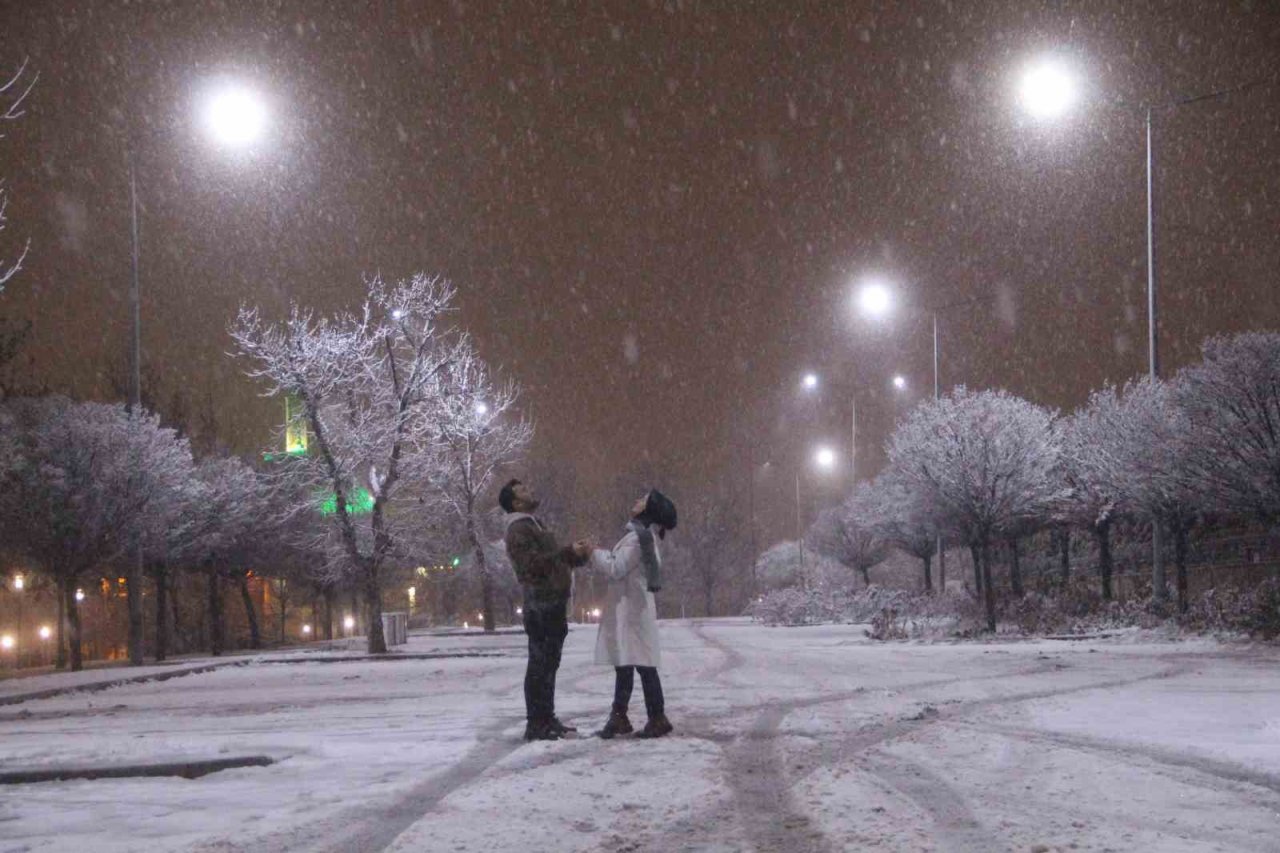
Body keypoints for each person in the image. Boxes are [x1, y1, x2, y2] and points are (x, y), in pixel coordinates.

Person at [500, 478, 593, 742]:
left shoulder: (533, 524)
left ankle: (547, 718)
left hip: (551, 603)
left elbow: (551, 562)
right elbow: (532, 566)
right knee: (540, 664)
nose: (531, 490)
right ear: (515, 502)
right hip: (540, 604)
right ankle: (536, 723)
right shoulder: (519, 529)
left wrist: (577, 555)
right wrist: (565, 553)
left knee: (549, 664)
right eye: (523, 490)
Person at [591, 488, 678, 739]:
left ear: (648, 511)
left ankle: (655, 717)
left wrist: (593, 553)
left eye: (642, 500)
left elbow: (616, 568)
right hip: (631, 610)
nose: (636, 501)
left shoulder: (638, 538)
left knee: (640, 663)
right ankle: (621, 717)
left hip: (631, 611)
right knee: (627, 662)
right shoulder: (640, 536)